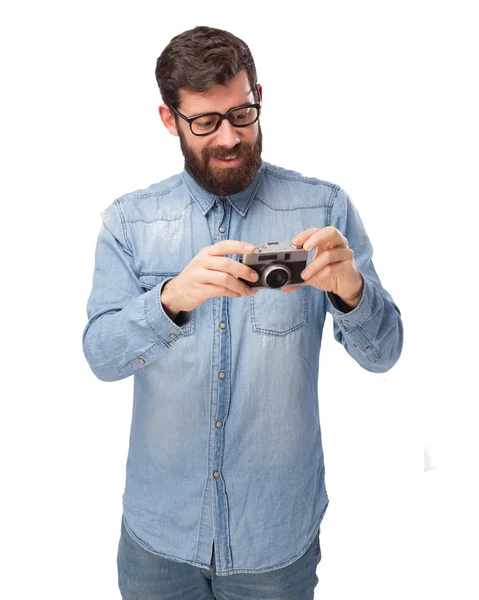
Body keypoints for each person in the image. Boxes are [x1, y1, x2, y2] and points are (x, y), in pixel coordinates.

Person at [82, 25, 404, 600]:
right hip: (159, 538)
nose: (229, 137)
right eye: (204, 122)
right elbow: (101, 356)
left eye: (242, 113)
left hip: (275, 540)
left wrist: (351, 291)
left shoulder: (324, 207)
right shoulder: (128, 223)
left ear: (260, 96)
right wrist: (171, 300)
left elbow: (385, 354)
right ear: (169, 119)